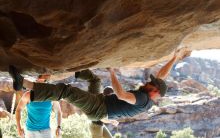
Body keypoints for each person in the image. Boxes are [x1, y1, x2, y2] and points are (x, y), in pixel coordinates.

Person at [9, 47, 191, 125]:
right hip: (100, 103)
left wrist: (112, 72)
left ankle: (24, 83)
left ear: (154, 91)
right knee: (95, 81)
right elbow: (161, 76)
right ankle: (72, 69)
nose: (147, 82)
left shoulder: (143, 99)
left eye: (150, 84)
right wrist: (174, 58)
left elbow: (121, 95)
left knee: (67, 91)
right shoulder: (152, 94)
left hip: (98, 108)